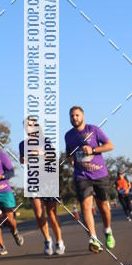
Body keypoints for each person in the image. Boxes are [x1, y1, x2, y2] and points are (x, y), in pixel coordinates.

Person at [65, 106, 114, 252]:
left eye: (77, 115)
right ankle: (93, 238)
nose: (75, 118)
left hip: (100, 174)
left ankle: (107, 231)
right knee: (86, 206)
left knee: (103, 207)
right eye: (72, 116)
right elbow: (69, 153)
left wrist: (93, 150)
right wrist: (71, 159)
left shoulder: (94, 130)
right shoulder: (68, 135)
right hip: (82, 176)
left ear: (83, 116)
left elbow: (110, 145)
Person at [19, 120, 65, 256]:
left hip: (48, 179)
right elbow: (23, 160)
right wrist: (23, 159)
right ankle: (47, 240)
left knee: (51, 214)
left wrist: (39, 153)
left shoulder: (45, 140)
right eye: (26, 125)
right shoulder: (22, 144)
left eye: (31, 124)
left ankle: (59, 242)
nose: (29, 127)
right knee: (39, 214)